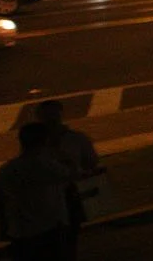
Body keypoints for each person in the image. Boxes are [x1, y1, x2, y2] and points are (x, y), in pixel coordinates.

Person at [0, 122, 73, 261]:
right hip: (50, 230)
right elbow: (72, 172)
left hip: (21, 232)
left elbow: (0, 201)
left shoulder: (6, 169)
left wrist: (4, 227)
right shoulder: (48, 166)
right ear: (45, 141)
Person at [34, 98, 101, 258]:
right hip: (49, 196)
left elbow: (91, 163)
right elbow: (91, 163)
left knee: (67, 237)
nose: (51, 120)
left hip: (66, 195)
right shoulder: (75, 139)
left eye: (53, 115)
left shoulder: (76, 139)